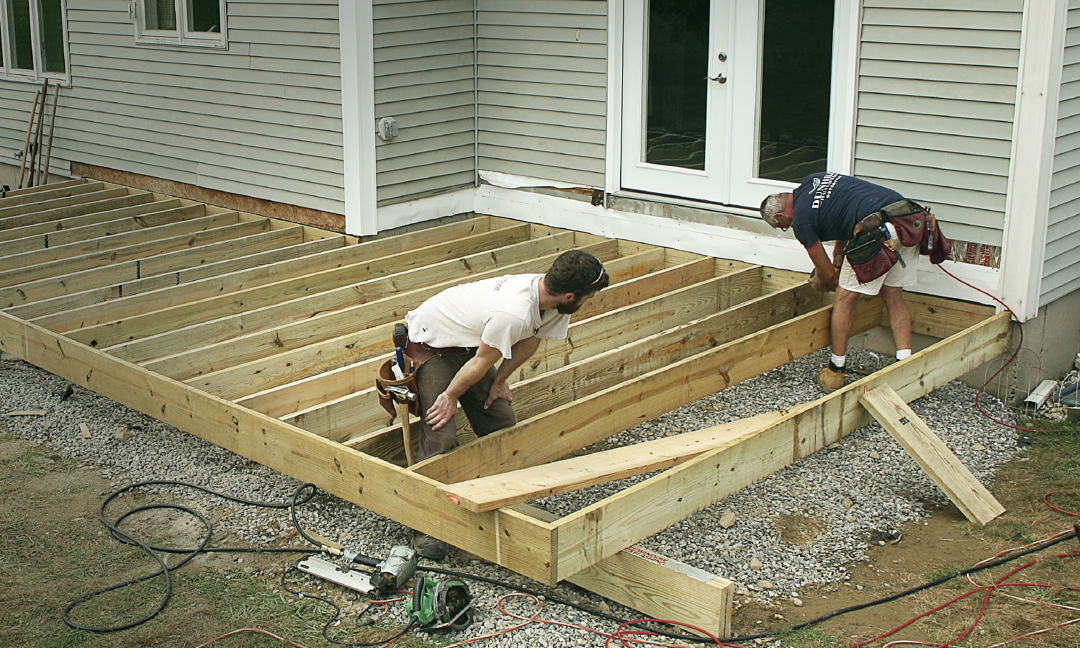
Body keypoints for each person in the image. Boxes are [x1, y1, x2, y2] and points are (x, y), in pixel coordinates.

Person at [401, 249, 609, 558]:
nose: (587, 302)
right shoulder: (513, 312)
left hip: (472, 343)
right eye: (588, 297)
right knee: (441, 433)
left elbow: (531, 339)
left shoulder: (549, 303)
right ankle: (423, 523)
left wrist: (500, 382)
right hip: (433, 342)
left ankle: (492, 494)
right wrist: (449, 396)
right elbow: (482, 361)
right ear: (569, 295)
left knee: (500, 421)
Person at [759, 172, 919, 393]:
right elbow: (846, 209)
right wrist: (839, 252)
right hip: (909, 220)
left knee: (844, 298)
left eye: (782, 226)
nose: (787, 227)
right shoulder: (813, 180)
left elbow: (825, 274)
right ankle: (906, 366)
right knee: (893, 295)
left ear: (779, 217)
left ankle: (836, 369)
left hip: (877, 230)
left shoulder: (802, 222)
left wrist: (822, 283)